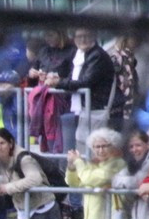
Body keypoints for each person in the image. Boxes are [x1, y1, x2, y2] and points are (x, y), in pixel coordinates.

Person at [45, 27, 116, 155]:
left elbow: (85, 82)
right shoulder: (81, 55)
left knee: (95, 149)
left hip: (97, 109)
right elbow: (75, 78)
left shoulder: (97, 55)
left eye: (86, 36)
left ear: (94, 37)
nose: (83, 40)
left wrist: (59, 83)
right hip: (85, 109)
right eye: (79, 36)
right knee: (83, 147)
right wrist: (58, 79)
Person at [0, 128, 60, 219]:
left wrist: (8, 188)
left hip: (42, 209)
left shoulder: (24, 159)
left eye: (2, 143)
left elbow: (35, 178)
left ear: (11, 143)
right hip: (23, 212)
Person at [66, 128, 125, 219]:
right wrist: (71, 166)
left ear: (113, 147)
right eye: (97, 147)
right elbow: (74, 183)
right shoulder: (93, 165)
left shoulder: (117, 163)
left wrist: (78, 161)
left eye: (104, 146)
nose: (100, 150)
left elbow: (89, 178)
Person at [26, 29, 75, 153]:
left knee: (61, 136)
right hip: (42, 100)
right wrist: (32, 72)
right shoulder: (43, 51)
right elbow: (33, 69)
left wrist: (57, 80)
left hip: (63, 101)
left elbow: (74, 77)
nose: (48, 39)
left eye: (51, 34)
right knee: (46, 132)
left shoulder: (72, 51)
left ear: (60, 34)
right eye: (46, 35)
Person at [108, 36, 139, 131]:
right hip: (121, 110)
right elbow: (127, 88)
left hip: (119, 109)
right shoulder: (121, 58)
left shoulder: (126, 57)